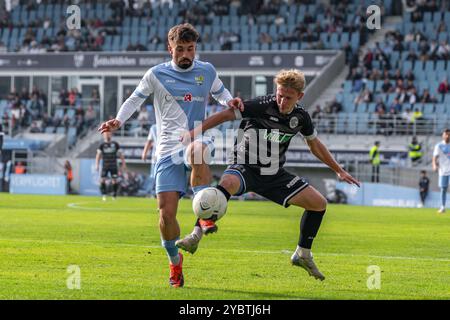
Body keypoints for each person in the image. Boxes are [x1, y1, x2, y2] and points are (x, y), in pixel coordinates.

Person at [176, 69, 360, 281]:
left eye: (288, 97)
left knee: (318, 204)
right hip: (245, 166)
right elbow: (225, 115)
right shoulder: (261, 105)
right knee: (227, 182)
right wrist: (193, 133)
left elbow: (314, 144)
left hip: (274, 174)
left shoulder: (301, 117)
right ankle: (195, 235)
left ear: (300, 96)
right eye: (280, 94)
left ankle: (303, 253)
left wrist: (338, 169)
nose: (282, 100)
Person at [97, 23, 243, 288]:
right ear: (170, 49)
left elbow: (222, 94)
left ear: (195, 48)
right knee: (166, 216)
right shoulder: (155, 74)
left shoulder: (207, 71)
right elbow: (134, 99)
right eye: (180, 50)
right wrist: (118, 121)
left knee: (198, 150)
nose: (186, 54)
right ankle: (175, 264)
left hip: (194, 139)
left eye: (190, 49)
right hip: (166, 150)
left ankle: (206, 217)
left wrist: (230, 101)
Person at [95, 132, 126, 201]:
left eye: (108, 134)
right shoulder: (102, 145)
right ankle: (104, 195)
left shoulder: (115, 144)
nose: (107, 135)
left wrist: (124, 163)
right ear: (103, 136)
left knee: (114, 180)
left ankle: (114, 195)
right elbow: (98, 156)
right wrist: (97, 164)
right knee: (102, 180)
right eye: (106, 134)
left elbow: (121, 155)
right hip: (105, 166)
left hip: (113, 165)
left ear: (111, 135)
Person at [432, 128, 450, 213]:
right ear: (443, 135)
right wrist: (434, 165)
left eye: (449, 134)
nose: (447, 136)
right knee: (443, 189)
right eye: (446, 134)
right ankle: (442, 207)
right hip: (443, 171)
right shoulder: (438, 146)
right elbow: (435, 157)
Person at [141, 123, 157, 197]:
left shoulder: (170, 125)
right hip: (156, 157)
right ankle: (152, 192)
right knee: (153, 176)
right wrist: (144, 153)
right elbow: (149, 141)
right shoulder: (153, 127)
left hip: (166, 156)